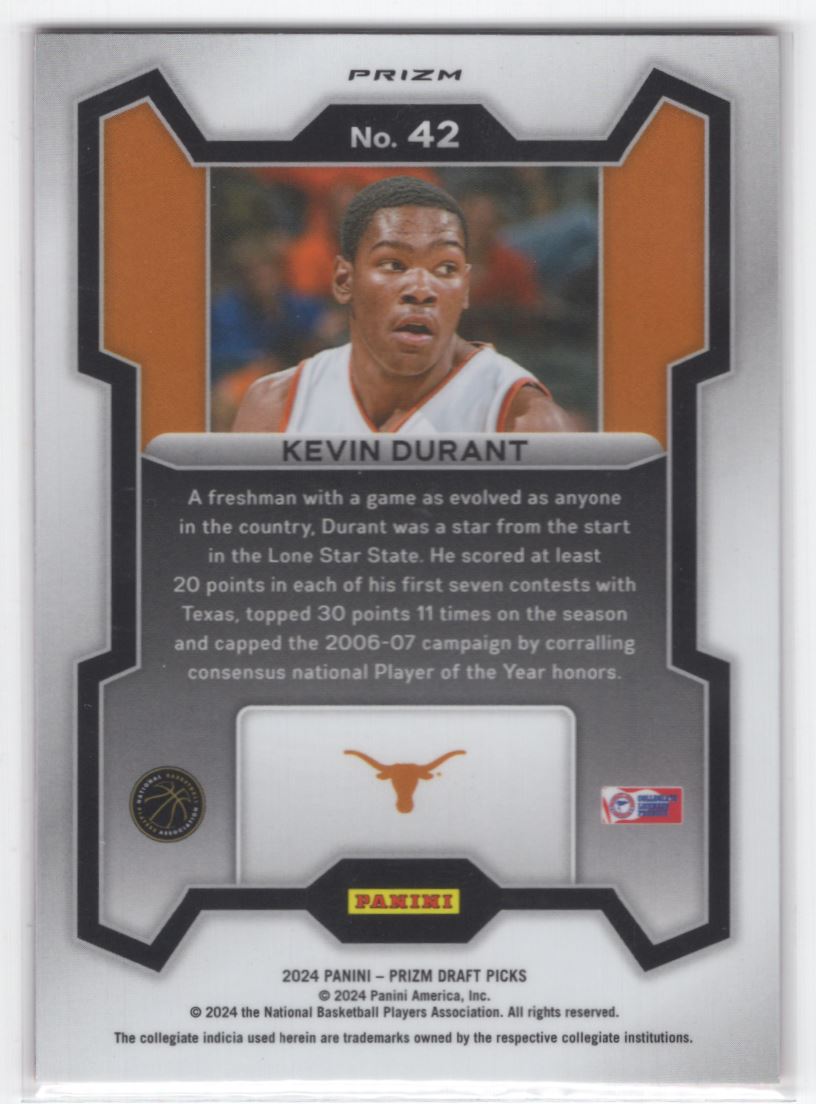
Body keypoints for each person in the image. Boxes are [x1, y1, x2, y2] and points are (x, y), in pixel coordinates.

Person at [232, 177, 573, 434]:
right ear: (344, 280)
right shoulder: (275, 406)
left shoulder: (522, 417)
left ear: (466, 289)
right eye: (394, 264)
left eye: (446, 268)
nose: (422, 290)